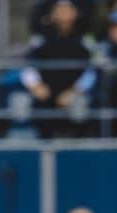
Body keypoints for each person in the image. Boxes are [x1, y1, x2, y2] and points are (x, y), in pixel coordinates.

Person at [21, 0, 97, 138]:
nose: (63, 14)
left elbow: (91, 72)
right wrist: (36, 86)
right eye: (59, 10)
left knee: (82, 108)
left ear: (75, 13)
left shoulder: (84, 40)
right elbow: (28, 66)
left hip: (73, 93)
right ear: (53, 14)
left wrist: (75, 91)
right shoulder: (41, 39)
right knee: (34, 106)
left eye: (67, 10)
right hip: (47, 92)